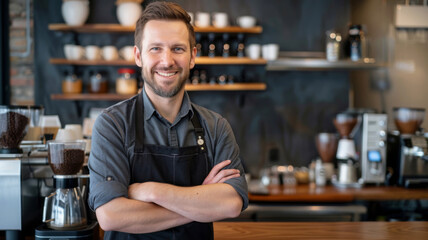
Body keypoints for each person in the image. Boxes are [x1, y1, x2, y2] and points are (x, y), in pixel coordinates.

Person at [88, 2, 248, 239]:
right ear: (138, 56)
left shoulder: (215, 126)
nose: (167, 61)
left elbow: (231, 203)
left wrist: (150, 191)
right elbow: (111, 215)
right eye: (155, 49)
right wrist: (201, 201)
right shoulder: (113, 124)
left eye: (178, 49)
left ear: (192, 56)